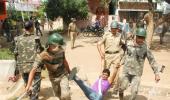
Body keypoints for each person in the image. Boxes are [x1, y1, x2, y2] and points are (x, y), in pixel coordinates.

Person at [118, 28, 162, 100]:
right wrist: (120, 62)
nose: (140, 39)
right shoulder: (128, 44)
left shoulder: (145, 48)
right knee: (122, 87)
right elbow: (124, 53)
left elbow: (152, 60)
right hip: (126, 71)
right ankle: (121, 94)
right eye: (139, 37)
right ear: (136, 36)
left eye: (142, 38)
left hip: (137, 73)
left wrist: (156, 73)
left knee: (134, 92)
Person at [26, 33, 71, 100]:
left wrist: (69, 72)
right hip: (53, 78)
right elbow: (33, 70)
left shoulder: (61, 51)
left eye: (59, 46)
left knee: (65, 95)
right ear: (49, 45)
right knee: (58, 95)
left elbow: (65, 61)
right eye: (55, 46)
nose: (58, 48)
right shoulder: (42, 55)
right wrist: (28, 85)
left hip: (63, 75)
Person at [12, 21, 42, 100]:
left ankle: (30, 96)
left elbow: (15, 53)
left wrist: (17, 68)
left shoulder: (17, 39)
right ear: (32, 28)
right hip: (35, 66)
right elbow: (40, 51)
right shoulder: (36, 38)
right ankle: (34, 97)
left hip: (23, 65)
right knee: (36, 85)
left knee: (27, 83)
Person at [97, 21, 124, 94]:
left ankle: (115, 88)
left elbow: (123, 44)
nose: (114, 30)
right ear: (110, 28)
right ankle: (102, 87)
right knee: (105, 72)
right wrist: (101, 53)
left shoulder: (119, 35)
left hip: (116, 55)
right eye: (112, 28)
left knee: (116, 72)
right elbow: (98, 44)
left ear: (117, 29)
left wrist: (122, 54)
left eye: (115, 28)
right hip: (107, 56)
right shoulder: (106, 35)